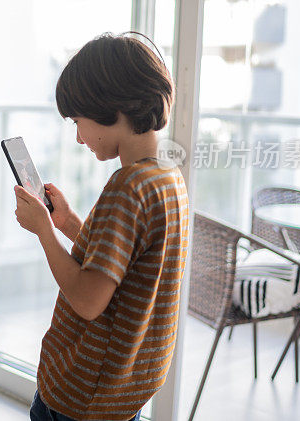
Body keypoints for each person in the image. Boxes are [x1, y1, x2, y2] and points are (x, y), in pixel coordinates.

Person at [13, 33, 190, 421]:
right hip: (124, 389)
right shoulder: (165, 176)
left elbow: (89, 302)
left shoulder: (126, 188)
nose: (77, 137)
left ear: (111, 108)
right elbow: (129, 264)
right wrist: (70, 225)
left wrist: (44, 231)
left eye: (79, 120)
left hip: (83, 391)